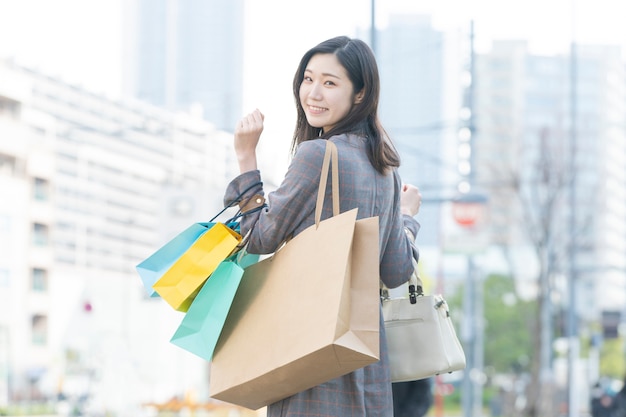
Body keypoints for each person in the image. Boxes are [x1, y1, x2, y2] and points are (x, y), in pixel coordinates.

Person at [223, 36, 421, 416]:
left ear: (360, 94)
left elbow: (258, 238)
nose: (313, 93)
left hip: (311, 349)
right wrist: (407, 218)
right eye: (308, 79)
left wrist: (246, 157)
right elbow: (397, 271)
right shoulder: (387, 171)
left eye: (330, 83)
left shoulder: (317, 155)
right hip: (365, 356)